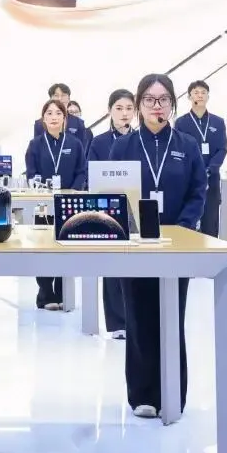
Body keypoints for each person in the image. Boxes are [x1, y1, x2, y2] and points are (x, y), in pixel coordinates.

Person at [108, 74, 206, 418]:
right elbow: (111, 193)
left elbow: (198, 191)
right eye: (149, 99)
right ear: (139, 105)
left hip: (177, 243)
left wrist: (184, 227)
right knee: (138, 316)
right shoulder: (122, 147)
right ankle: (142, 396)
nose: (157, 106)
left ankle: (172, 394)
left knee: (172, 315)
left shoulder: (187, 145)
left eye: (164, 99)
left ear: (172, 104)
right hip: (135, 243)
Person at [25, 99, 87, 310]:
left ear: (64, 118)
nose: (53, 117)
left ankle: (62, 292)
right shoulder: (35, 145)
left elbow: (81, 172)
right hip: (42, 203)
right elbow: (31, 173)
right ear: (43, 119)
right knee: (43, 248)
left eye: (58, 113)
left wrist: (72, 192)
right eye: (49, 113)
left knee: (65, 247)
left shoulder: (75, 144)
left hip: (67, 204)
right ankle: (45, 293)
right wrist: (42, 190)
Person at [87, 88, 136, 338]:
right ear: (109, 111)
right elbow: (91, 176)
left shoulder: (141, 140)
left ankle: (137, 320)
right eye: (119, 108)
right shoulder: (99, 142)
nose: (124, 113)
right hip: (108, 208)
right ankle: (117, 323)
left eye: (129, 108)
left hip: (136, 208)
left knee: (137, 266)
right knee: (112, 266)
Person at [174, 80, 227, 238]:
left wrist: (210, 169)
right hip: (189, 180)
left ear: (208, 96)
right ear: (189, 97)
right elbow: (179, 151)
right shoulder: (181, 123)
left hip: (211, 180)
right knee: (188, 226)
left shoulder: (218, 122)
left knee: (210, 224)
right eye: (196, 92)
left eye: (203, 92)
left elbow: (222, 149)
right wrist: (195, 172)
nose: (200, 95)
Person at [34, 82, 92, 151]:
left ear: (69, 99)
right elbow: (37, 149)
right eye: (56, 95)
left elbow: (82, 149)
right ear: (50, 99)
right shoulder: (39, 124)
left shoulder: (78, 123)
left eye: (63, 95)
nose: (60, 98)